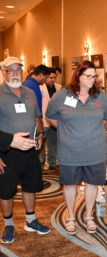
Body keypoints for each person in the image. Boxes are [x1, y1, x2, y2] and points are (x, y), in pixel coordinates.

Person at [46, 61, 107, 235]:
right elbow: (51, 117)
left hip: (95, 151)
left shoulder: (101, 97)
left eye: (94, 76)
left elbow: (105, 119)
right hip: (70, 151)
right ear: (78, 76)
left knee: (92, 185)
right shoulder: (62, 96)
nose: (92, 80)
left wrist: (88, 130)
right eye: (88, 76)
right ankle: (71, 216)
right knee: (70, 185)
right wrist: (68, 130)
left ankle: (89, 216)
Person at [0, 56, 50, 244]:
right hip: (6, 152)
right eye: (10, 70)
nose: (15, 73)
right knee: (6, 191)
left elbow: (37, 116)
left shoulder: (29, 92)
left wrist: (40, 136)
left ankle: (31, 220)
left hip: (29, 149)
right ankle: (9, 225)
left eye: (18, 70)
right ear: (3, 73)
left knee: (31, 186)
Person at [40, 68, 62, 170]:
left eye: (54, 77)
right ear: (46, 77)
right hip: (43, 120)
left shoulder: (59, 87)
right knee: (41, 144)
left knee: (53, 144)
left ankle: (52, 164)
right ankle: (41, 163)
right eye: (50, 77)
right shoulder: (40, 87)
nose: (53, 79)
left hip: (54, 121)